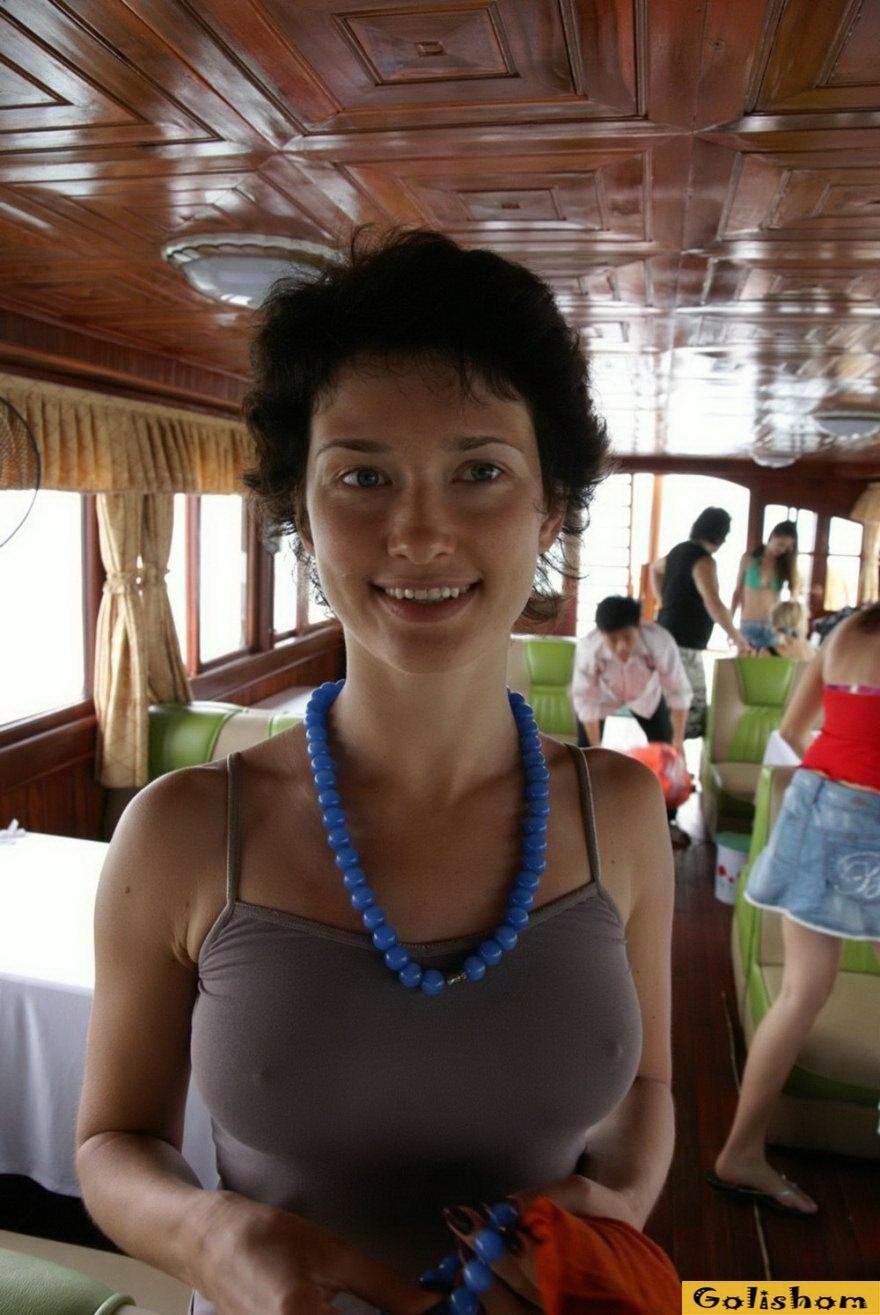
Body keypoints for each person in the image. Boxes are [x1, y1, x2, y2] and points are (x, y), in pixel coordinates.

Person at [75, 229, 676, 1315]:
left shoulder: (620, 812)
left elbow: (647, 1085)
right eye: (361, 475)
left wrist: (613, 1205)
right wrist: (208, 1232)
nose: (419, 532)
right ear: (300, 516)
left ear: (551, 507)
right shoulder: (182, 831)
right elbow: (112, 1139)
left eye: (479, 472)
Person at [709, 604, 880, 1215]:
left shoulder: (851, 629)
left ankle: (740, 1153)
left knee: (801, 993)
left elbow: (791, 730)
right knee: (804, 993)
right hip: (863, 817)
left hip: (814, 803)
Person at [570, 596, 693, 847]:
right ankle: (587, 818)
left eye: (627, 637)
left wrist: (678, 741)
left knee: (668, 759)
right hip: (603, 697)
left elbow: (678, 691)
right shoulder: (589, 649)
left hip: (647, 696)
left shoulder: (660, 642)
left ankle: (667, 821)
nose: (621, 646)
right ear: (601, 634)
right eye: (612, 639)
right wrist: (596, 748)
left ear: (639, 626)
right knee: (586, 755)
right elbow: (586, 700)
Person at [650, 507, 752, 739]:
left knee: (671, 703)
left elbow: (655, 569)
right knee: (690, 708)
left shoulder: (678, 551)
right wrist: (737, 637)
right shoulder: (704, 561)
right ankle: (672, 756)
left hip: (667, 636)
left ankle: (668, 753)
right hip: (683, 644)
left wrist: (663, 602)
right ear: (720, 535)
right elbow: (713, 601)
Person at [731, 520, 799, 651]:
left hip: (774, 627)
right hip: (748, 625)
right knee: (745, 663)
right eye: (781, 544)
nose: (782, 550)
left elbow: (794, 597)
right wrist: (730, 626)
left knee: (772, 664)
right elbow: (737, 592)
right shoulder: (748, 559)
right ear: (773, 536)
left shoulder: (784, 565)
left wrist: (790, 625)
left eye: (787, 548)